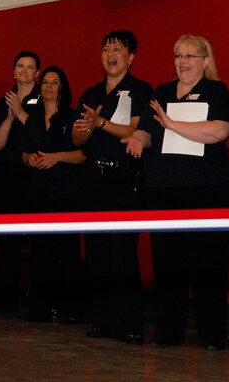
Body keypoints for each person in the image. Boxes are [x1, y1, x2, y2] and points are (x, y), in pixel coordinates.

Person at [124, 35, 229, 351]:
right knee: (167, 262)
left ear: (204, 60)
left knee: (210, 262)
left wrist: (172, 125)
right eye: (178, 55)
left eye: (190, 56)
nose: (183, 61)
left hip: (209, 190)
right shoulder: (162, 92)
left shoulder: (217, 91)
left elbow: (218, 131)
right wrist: (138, 141)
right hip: (164, 190)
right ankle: (168, 330)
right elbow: (145, 129)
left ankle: (213, 332)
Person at [72, 30, 151, 345]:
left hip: (123, 179)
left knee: (123, 252)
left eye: (117, 48)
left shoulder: (140, 89)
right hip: (93, 179)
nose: (110, 53)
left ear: (130, 57)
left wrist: (100, 124)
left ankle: (131, 323)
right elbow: (77, 138)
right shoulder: (92, 93)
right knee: (97, 251)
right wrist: (88, 127)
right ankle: (102, 320)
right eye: (105, 48)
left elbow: (132, 130)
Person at [21, 66, 86, 322]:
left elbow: (83, 155)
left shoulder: (73, 117)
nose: (48, 87)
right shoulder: (33, 120)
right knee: (40, 253)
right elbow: (24, 154)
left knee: (67, 254)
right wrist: (32, 160)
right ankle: (40, 307)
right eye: (45, 82)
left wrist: (56, 157)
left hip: (67, 194)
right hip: (39, 193)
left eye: (54, 82)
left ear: (63, 87)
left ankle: (69, 308)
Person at [0, 51, 41, 313]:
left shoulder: (45, 98)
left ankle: (37, 303)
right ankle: (3, 300)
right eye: (20, 66)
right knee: (8, 242)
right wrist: (9, 116)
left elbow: (42, 138)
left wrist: (20, 112)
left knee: (37, 242)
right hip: (7, 178)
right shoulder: (2, 102)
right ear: (14, 71)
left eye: (30, 67)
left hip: (34, 178)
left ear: (37, 73)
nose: (25, 71)